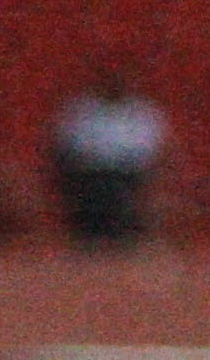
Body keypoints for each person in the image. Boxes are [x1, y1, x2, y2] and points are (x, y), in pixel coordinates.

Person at [50, 73, 167, 245]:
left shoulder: (142, 114)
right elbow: (70, 143)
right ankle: (90, 233)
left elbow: (149, 147)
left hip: (128, 172)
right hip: (89, 170)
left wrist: (126, 163)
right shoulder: (83, 111)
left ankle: (122, 233)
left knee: (115, 186)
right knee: (94, 185)